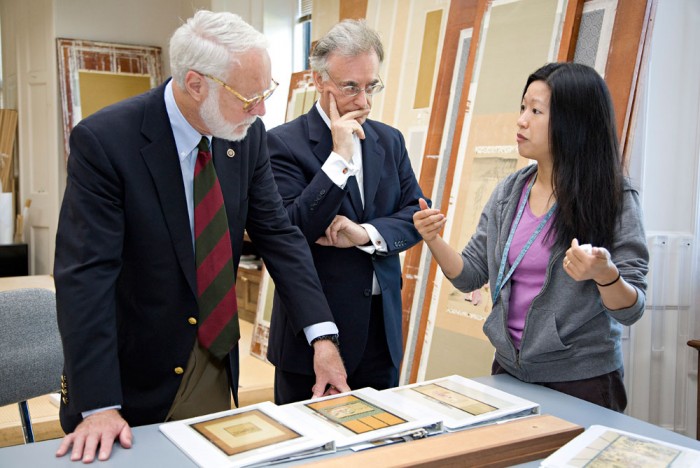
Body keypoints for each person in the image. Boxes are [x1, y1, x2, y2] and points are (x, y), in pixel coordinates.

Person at [53, 10, 348, 463]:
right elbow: (85, 278)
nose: (262, 110)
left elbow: (279, 236)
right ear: (195, 84)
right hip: (129, 370)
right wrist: (98, 404)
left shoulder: (244, 137)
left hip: (212, 354)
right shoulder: (106, 141)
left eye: (264, 93)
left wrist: (322, 338)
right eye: (249, 96)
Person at [413, 62, 649, 412]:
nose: (521, 120)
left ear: (574, 122)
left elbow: (632, 309)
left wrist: (604, 274)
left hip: (581, 381)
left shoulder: (614, 197)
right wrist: (433, 239)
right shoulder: (510, 191)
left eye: (536, 111)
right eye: (523, 107)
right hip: (508, 371)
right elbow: (469, 275)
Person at [266, 19, 427, 404]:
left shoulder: (389, 140)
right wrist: (338, 159)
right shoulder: (281, 144)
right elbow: (292, 229)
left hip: (380, 329)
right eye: (351, 87)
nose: (364, 101)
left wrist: (363, 234)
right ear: (320, 81)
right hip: (314, 336)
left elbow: (415, 215)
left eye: (371, 86)